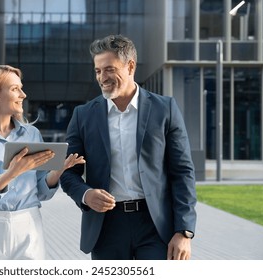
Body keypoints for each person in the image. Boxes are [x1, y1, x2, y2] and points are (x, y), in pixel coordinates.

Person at [60, 35, 197, 260]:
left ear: (130, 66)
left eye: (109, 69)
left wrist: (184, 231)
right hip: (106, 227)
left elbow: (182, 173)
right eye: (97, 71)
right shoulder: (83, 116)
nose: (102, 78)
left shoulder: (165, 109)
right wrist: (86, 194)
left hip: (156, 226)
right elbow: (67, 172)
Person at [0, 65, 84, 260]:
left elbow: (41, 191)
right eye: (15, 89)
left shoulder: (32, 134)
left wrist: (57, 171)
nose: (23, 95)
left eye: (21, 88)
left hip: (29, 225)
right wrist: (11, 173)